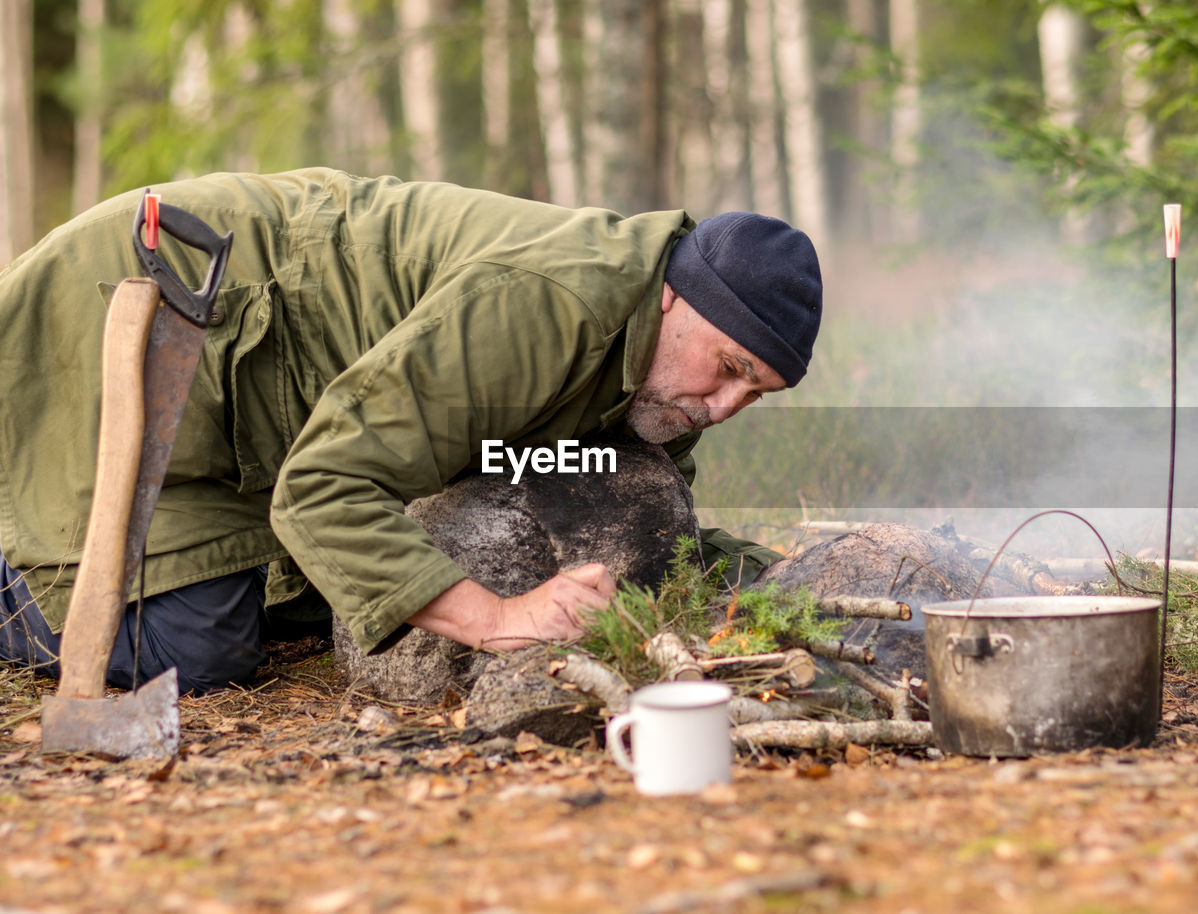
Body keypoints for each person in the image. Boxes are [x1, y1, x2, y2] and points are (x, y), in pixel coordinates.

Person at [0, 168, 822, 693]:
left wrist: (791, 587)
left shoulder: (661, 383)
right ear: (677, 296)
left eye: (757, 393)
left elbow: (640, 523)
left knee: (313, 602)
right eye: (730, 368)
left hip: (277, 416)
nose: (722, 407)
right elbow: (323, 489)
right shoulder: (546, 307)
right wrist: (498, 620)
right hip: (162, 310)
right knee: (201, 651)